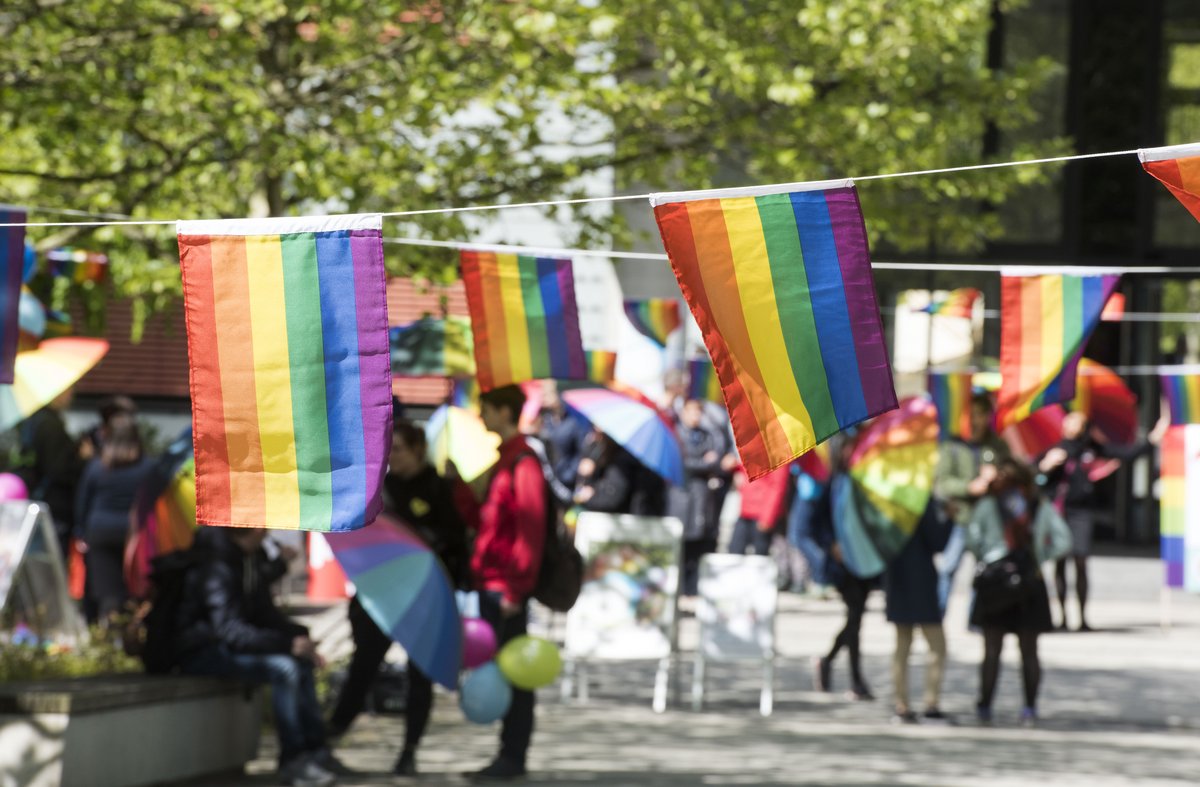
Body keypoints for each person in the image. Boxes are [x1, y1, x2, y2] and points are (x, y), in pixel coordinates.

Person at [326, 418, 472, 777]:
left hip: (425, 596)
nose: (396, 457)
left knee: (419, 676)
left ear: (419, 450)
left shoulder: (442, 489)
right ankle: (329, 740)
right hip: (382, 593)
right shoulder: (382, 487)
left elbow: (455, 538)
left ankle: (409, 752)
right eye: (392, 450)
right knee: (363, 667)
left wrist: (421, 541)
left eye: (402, 450)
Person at [173, 526, 341, 786]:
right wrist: (286, 644)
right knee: (285, 668)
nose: (268, 531)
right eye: (263, 525)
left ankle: (315, 750)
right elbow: (228, 629)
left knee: (300, 661)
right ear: (249, 531)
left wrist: (299, 638)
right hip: (201, 651)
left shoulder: (247, 559)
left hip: (226, 645)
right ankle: (292, 759)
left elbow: (262, 613)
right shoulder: (218, 566)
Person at [471, 384, 547, 780]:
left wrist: (516, 589)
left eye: (485, 409)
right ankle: (505, 755)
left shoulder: (524, 462)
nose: (481, 415)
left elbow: (530, 531)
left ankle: (512, 757)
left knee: (515, 675)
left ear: (503, 412)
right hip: (492, 584)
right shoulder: (506, 459)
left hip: (506, 590)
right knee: (502, 671)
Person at [1038, 410, 1167, 631]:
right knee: (1059, 563)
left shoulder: (1091, 448)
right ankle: (1060, 617)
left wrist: (1153, 438)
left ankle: (1082, 617)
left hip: (1082, 513)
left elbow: (1127, 454)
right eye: (1070, 420)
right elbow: (1036, 477)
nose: (1073, 425)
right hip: (1060, 514)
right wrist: (1046, 466)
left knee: (1081, 561)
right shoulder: (1056, 449)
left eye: (1078, 421)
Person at [966, 458, 1072, 725]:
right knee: (1029, 651)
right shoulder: (1039, 505)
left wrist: (989, 557)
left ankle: (985, 707)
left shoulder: (988, 505)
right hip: (1029, 582)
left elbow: (972, 539)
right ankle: (1029, 709)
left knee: (991, 650)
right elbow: (1064, 541)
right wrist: (1039, 557)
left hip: (995, 582)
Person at [811, 435, 879, 701]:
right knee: (855, 618)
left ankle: (829, 662)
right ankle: (855, 680)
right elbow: (816, 523)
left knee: (856, 618)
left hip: (864, 560)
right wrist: (831, 545)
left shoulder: (867, 482)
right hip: (843, 565)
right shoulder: (834, 484)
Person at [934, 392, 1010, 614]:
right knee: (948, 567)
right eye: (973, 414)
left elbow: (1012, 476)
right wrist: (969, 487)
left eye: (982, 414)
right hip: (961, 517)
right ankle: (938, 615)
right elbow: (941, 485)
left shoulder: (997, 445)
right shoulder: (953, 446)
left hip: (988, 520)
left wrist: (998, 477)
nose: (977, 420)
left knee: (984, 570)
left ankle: (976, 618)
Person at [74, 412, 154, 622]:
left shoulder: (97, 466)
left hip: (100, 531)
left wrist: (80, 532)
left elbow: (82, 502)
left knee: (107, 593)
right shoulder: (147, 467)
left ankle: (107, 640)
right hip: (133, 533)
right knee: (134, 590)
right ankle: (133, 638)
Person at [884, 504, 953, 723]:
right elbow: (937, 540)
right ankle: (930, 703)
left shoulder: (887, 500)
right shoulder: (920, 500)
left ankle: (901, 704)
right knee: (936, 645)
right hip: (921, 578)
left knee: (902, 643)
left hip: (896, 577)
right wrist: (949, 517)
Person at [18, 387, 87, 552]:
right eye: (68, 390)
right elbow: (58, 468)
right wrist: (82, 458)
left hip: (34, 496)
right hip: (53, 505)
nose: (72, 395)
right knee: (50, 557)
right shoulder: (51, 425)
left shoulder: (33, 421)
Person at [671, 399, 722, 599]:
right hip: (681, 495)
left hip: (700, 497)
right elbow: (684, 463)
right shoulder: (677, 434)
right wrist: (704, 463)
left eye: (698, 413)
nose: (695, 417)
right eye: (691, 412)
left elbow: (715, 457)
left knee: (696, 541)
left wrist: (709, 462)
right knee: (681, 543)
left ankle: (691, 588)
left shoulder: (705, 435)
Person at [536, 380, 591, 493]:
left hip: (567, 481)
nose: (544, 398)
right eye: (543, 394)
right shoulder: (544, 419)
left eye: (547, 394)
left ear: (558, 393)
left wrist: (569, 474)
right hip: (547, 479)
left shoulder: (574, 420)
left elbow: (582, 452)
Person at [727, 462, 792, 557]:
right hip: (746, 510)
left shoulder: (777, 454)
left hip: (762, 515)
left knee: (759, 556)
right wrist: (735, 468)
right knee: (734, 552)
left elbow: (778, 487)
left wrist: (767, 518)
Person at [785, 462, 829, 594]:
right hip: (810, 487)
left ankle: (822, 574)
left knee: (798, 536)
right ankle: (821, 575)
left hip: (809, 489)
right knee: (803, 535)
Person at [573, 429, 638, 514]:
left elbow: (613, 498)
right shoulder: (598, 448)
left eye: (600, 434)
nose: (594, 436)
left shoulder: (622, 460)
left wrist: (591, 496)